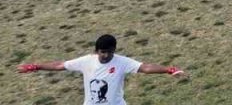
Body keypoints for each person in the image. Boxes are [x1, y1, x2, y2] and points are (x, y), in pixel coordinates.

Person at [17, 34, 185, 101]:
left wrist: (168, 70)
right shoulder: (86, 61)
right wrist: (35, 66)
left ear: (114, 50)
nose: (105, 55)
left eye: (109, 52)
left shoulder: (121, 62)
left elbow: (145, 67)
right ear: (96, 51)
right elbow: (60, 65)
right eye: (102, 52)